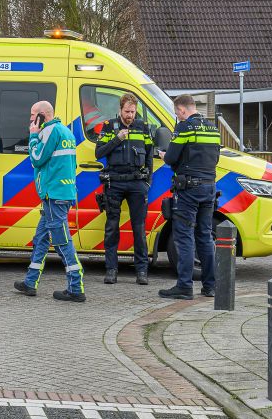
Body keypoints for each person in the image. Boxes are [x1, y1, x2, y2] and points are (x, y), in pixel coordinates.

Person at [14, 101, 86, 302]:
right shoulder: (65, 131)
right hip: (61, 193)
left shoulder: (49, 132)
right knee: (41, 241)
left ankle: (76, 286)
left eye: (33, 114)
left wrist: (33, 135)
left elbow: (36, 158)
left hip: (54, 195)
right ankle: (30, 282)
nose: (30, 119)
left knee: (62, 242)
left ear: (42, 116)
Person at [158, 94, 221, 300]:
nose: (178, 116)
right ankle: (210, 286)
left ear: (183, 110)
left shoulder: (184, 128)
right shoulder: (213, 128)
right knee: (205, 236)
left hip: (189, 190)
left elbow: (171, 157)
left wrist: (163, 156)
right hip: (209, 188)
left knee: (184, 237)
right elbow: (215, 158)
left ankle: (184, 286)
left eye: (177, 113)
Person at [95, 93, 154, 286]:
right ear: (120, 110)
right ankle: (111, 270)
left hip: (137, 183)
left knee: (139, 228)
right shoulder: (109, 127)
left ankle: (142, 271)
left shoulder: (143, 127)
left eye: (133, 112)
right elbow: (99, 153)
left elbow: (150, 157)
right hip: (115, 182)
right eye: (127, 111)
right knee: (112, 227)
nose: (130, 115)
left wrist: (148, 182)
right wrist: (117, 139)